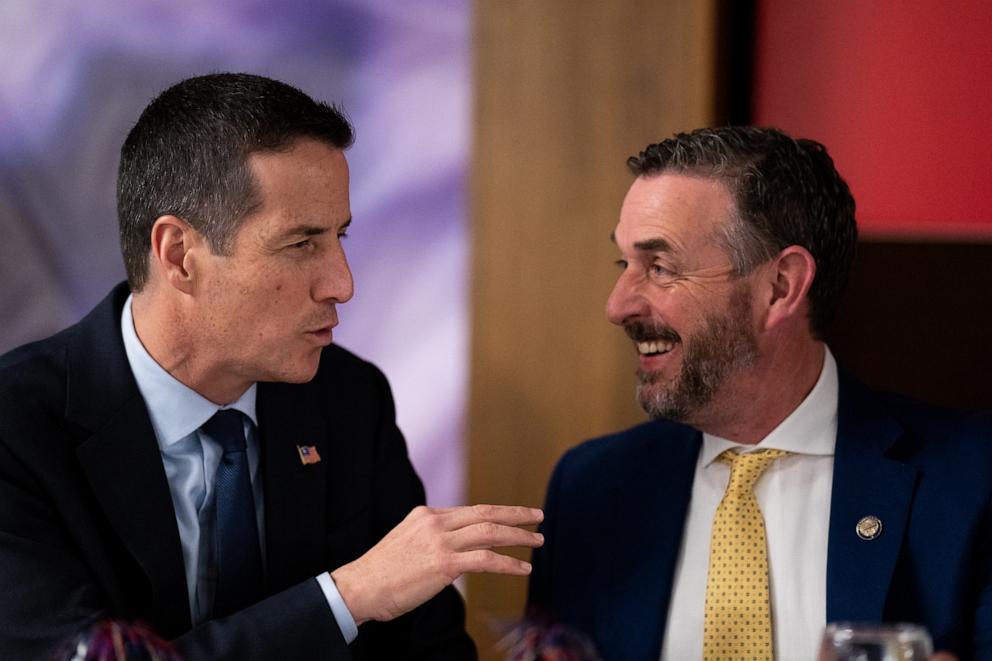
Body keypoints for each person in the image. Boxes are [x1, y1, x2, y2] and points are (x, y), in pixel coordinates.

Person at [0, 72, 544, 660]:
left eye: (340, 236)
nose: (343, 283)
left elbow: (427, 650)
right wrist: (347, 595)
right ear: (179, 256)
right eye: (301, 243)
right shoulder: (16, 428)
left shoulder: (350, 399)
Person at [526, 126, 992, 661]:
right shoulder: (591, 491)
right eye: (624, 264)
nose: (618, 305)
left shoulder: (972, 480)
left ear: (781, 286)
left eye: (660, 267)